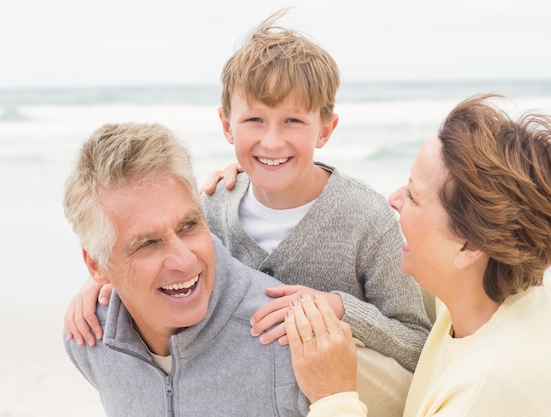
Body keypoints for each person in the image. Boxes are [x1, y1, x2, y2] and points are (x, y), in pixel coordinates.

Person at [65, 10, 432, 417]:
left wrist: (340, 307)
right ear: (227, 126)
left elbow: (418, 344)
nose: (271, 142)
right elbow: (156, 245)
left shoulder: (367, 219)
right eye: (254, 120)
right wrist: (100, 280)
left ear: (326, 129)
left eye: (292, 120)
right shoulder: (215, 204)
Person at [284, 93, 551, 416]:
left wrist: (333, 395)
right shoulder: (505, 281)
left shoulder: (485, 392)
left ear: (468, 245)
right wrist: (259, 183)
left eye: (413, 195)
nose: (394, 199)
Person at [62, 122, 310, 416]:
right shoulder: (89, 339)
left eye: (189, 225)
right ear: (97, 265)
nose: (185, 261)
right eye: (148, 243)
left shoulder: (288, 340)